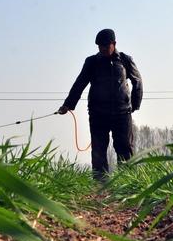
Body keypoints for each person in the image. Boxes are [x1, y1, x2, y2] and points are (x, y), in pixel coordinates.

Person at [57, 29, 143, 181]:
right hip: (98, 114)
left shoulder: (125, 60)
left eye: (105, 45)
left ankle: (127, 183)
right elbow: (80, 83)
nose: (102, 49)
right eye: (99, 46)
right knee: (98, 150)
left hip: (122, 114)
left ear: (114, 44)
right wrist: (68, 104)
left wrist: (135, 105)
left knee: (125, 148)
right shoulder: (91, 62)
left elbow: (137, 81)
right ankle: (100, 186)